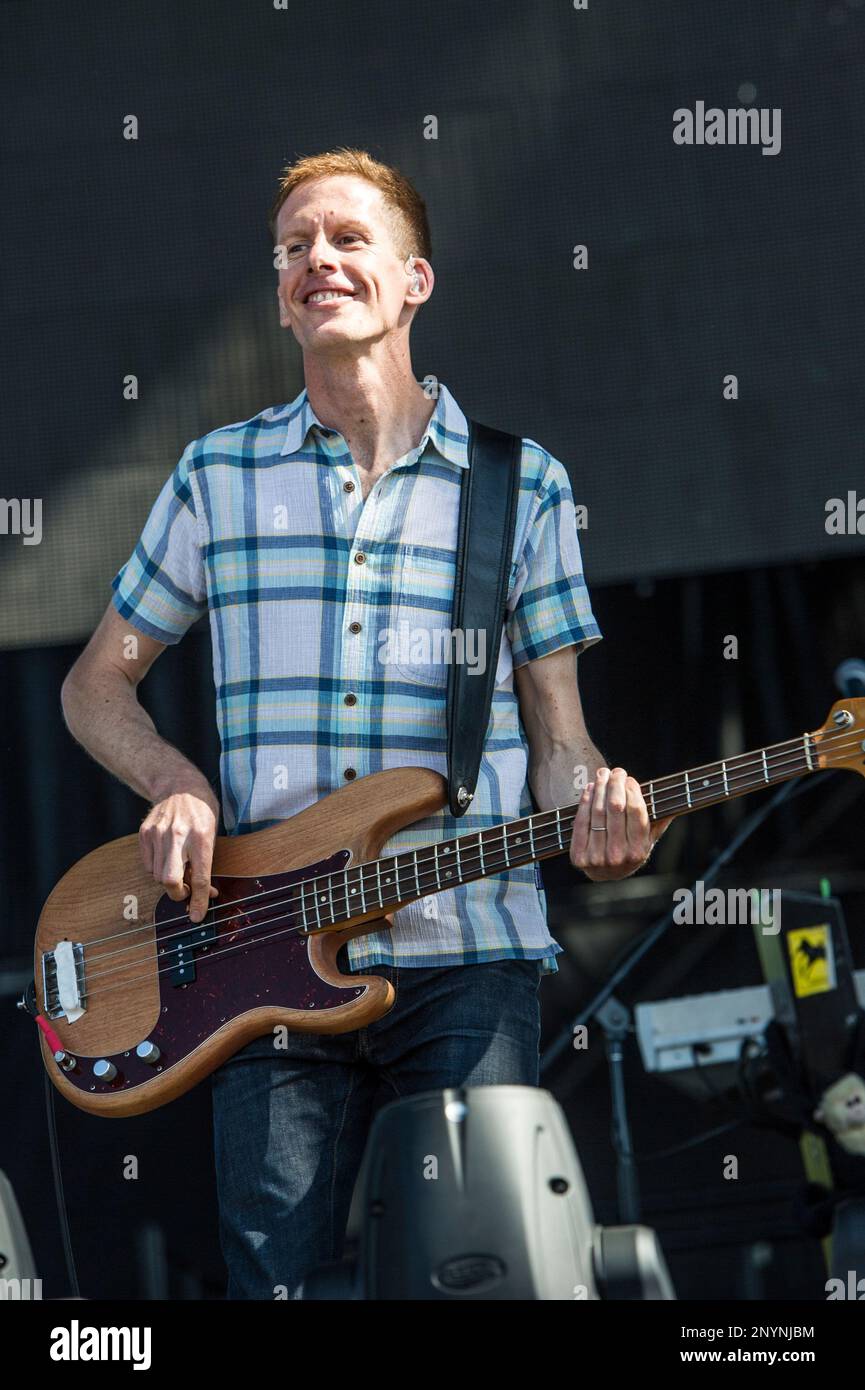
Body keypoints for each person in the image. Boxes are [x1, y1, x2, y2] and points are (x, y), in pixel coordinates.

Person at [61, 147, 671, 1299]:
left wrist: (599, 810)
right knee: (272, 1284)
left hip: (469, 954)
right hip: (260, 962)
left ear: (414, 281)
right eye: (293, 247)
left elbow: (557, 747)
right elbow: (95, 686)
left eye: (344, 239)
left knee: (486, 1277)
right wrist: (177, 783)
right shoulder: (217, 475)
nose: (314, 261)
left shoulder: (520, 485)